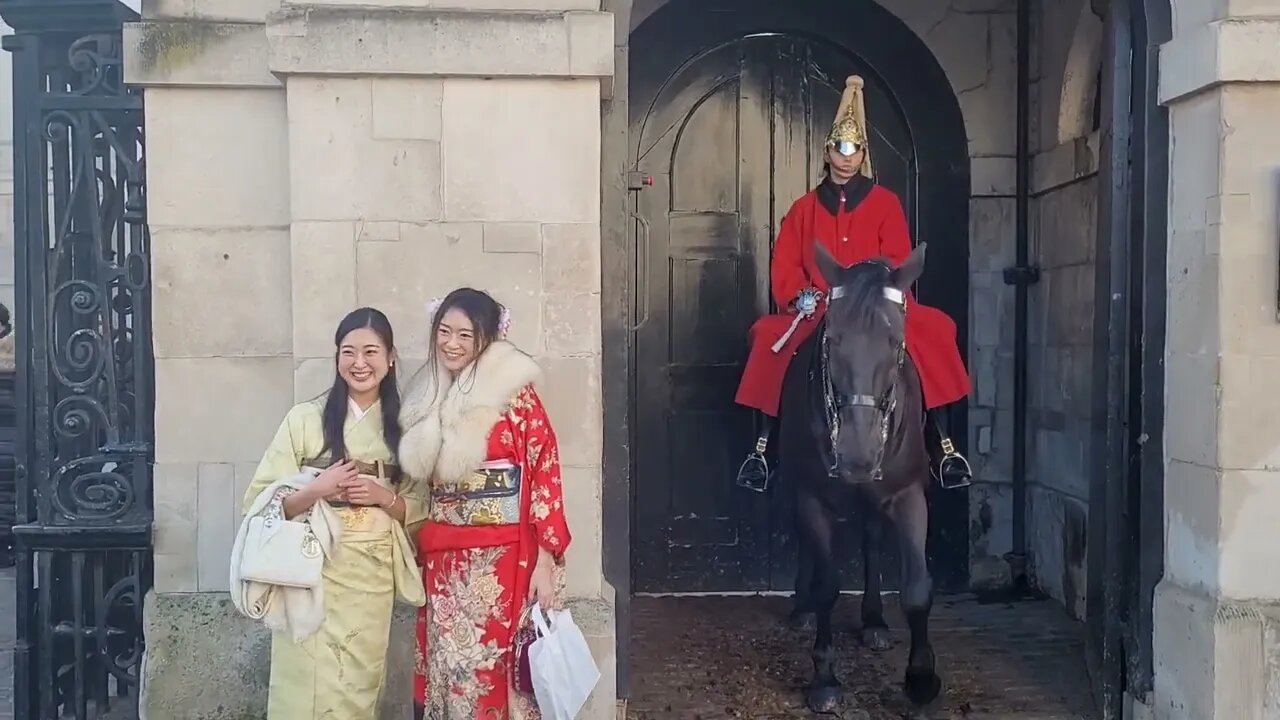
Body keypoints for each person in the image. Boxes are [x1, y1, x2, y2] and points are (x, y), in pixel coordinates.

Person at [734, 75, 973, 491]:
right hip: (822, 308)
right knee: (765, 336)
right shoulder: (804, 209)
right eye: (840, 149)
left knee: (937, 329)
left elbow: (898, 258)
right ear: (827, 152)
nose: (847, 157)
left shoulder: (885, 203)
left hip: (877, 306)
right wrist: (798, 295)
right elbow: (785, 265)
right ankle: (762, 449)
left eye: (855, 149)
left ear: (863, 154)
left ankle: (943, 446)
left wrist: (880, 292)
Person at [240, 307, 427, 718]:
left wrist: (383, 496)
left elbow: (423, 507)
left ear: (391, 357)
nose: (359, 363)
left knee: (356, 682)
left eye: (371, 352)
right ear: (337, 357)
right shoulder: (304, 418)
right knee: (301, 681)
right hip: (308, 567)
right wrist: (316, 490)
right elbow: (259, 503)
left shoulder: (408, 426)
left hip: (370, 571)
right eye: (349, 352)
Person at [398, 288, 572, 720]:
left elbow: (544, 467)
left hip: (503, 558)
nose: (452, 344)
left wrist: (546, 559)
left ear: (487, 339)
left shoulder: (516, 396)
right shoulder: (429, 395)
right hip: (444, 560)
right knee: (450, 666)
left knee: (499, 670)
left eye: (465, 335)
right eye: (444, 332)